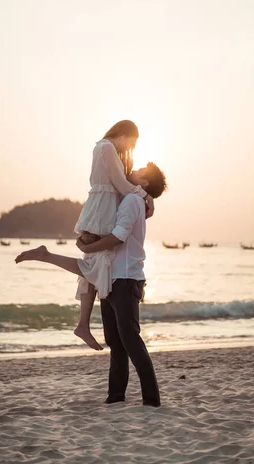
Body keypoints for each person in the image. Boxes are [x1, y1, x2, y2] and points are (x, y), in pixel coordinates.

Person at [15, 162, 167, 407]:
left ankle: (152, 400)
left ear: (145, 182)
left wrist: (87, 247)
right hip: (111, 277)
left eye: (139, 171)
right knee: (115, 342)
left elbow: (118, 236)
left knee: (130, 340)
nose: (132, 171)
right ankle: (115, 396)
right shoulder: (131, 197)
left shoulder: (131, 201)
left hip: (126, 279)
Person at [72, 120, 154, 351]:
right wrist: (144, 194)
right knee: (93, 263)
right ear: (125, 134)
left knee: (94, 264)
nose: (131, 146)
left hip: (102, 208)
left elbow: (118, 184)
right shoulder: (106, 147)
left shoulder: (103, 148)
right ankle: (83, 325)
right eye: (133, 141)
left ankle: (83, 324)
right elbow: (119, 183)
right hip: (101, 210)